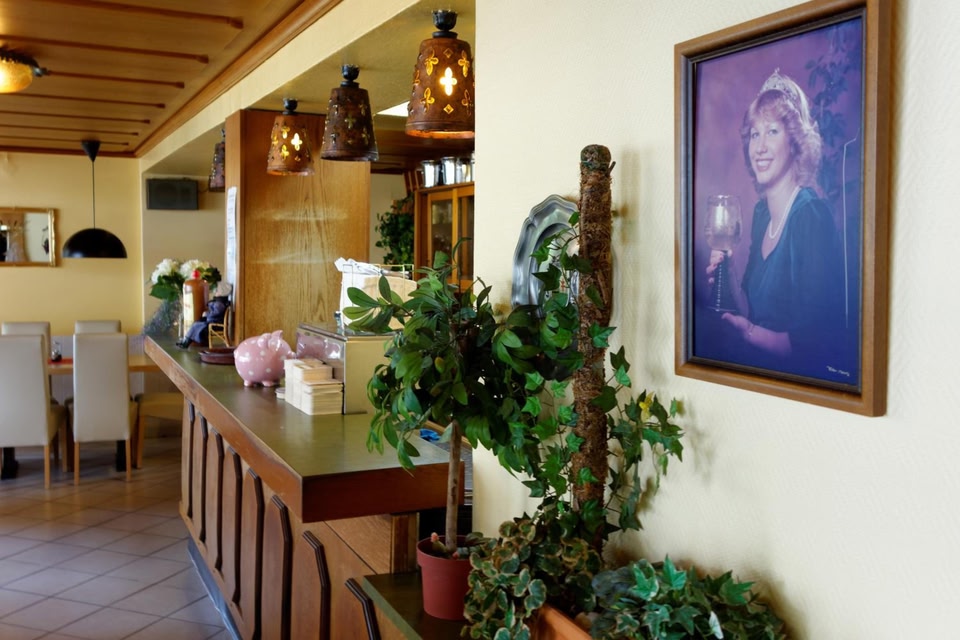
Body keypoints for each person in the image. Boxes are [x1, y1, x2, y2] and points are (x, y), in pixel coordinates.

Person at [707, 69, 846, 381]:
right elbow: (751, 309)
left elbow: (814, 345)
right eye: (755, 134)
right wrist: (728, 273)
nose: (759, 147)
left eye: (772, 131)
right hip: (760, 382)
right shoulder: (762, 215)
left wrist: (748, 332)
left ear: (795, 142)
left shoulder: (810, 216)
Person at [177, 282, 232, 348]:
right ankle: (186, 340)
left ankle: (186, 341)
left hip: (214, 323)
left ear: (222, 292)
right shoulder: (219, 302)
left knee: (196, 325)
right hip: (212, 321)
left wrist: (206, 314)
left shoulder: (219, 304)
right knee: (196, 324)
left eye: (217, 290)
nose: (215, 292)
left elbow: (216, 313)